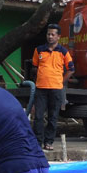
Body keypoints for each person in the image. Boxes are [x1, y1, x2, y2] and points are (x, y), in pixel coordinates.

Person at [32, 23, 74, 151]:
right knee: (38, 117)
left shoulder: (63, 52)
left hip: (56, 89)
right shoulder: (39, 50)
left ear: (58, 37)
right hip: (41, 88)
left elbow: (71, 69)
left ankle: (48, 142)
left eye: (52, 34)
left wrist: (61, 81)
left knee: (53, 117)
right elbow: (34, 66)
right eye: (48, 34)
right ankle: (37, 143)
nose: (50, 37)